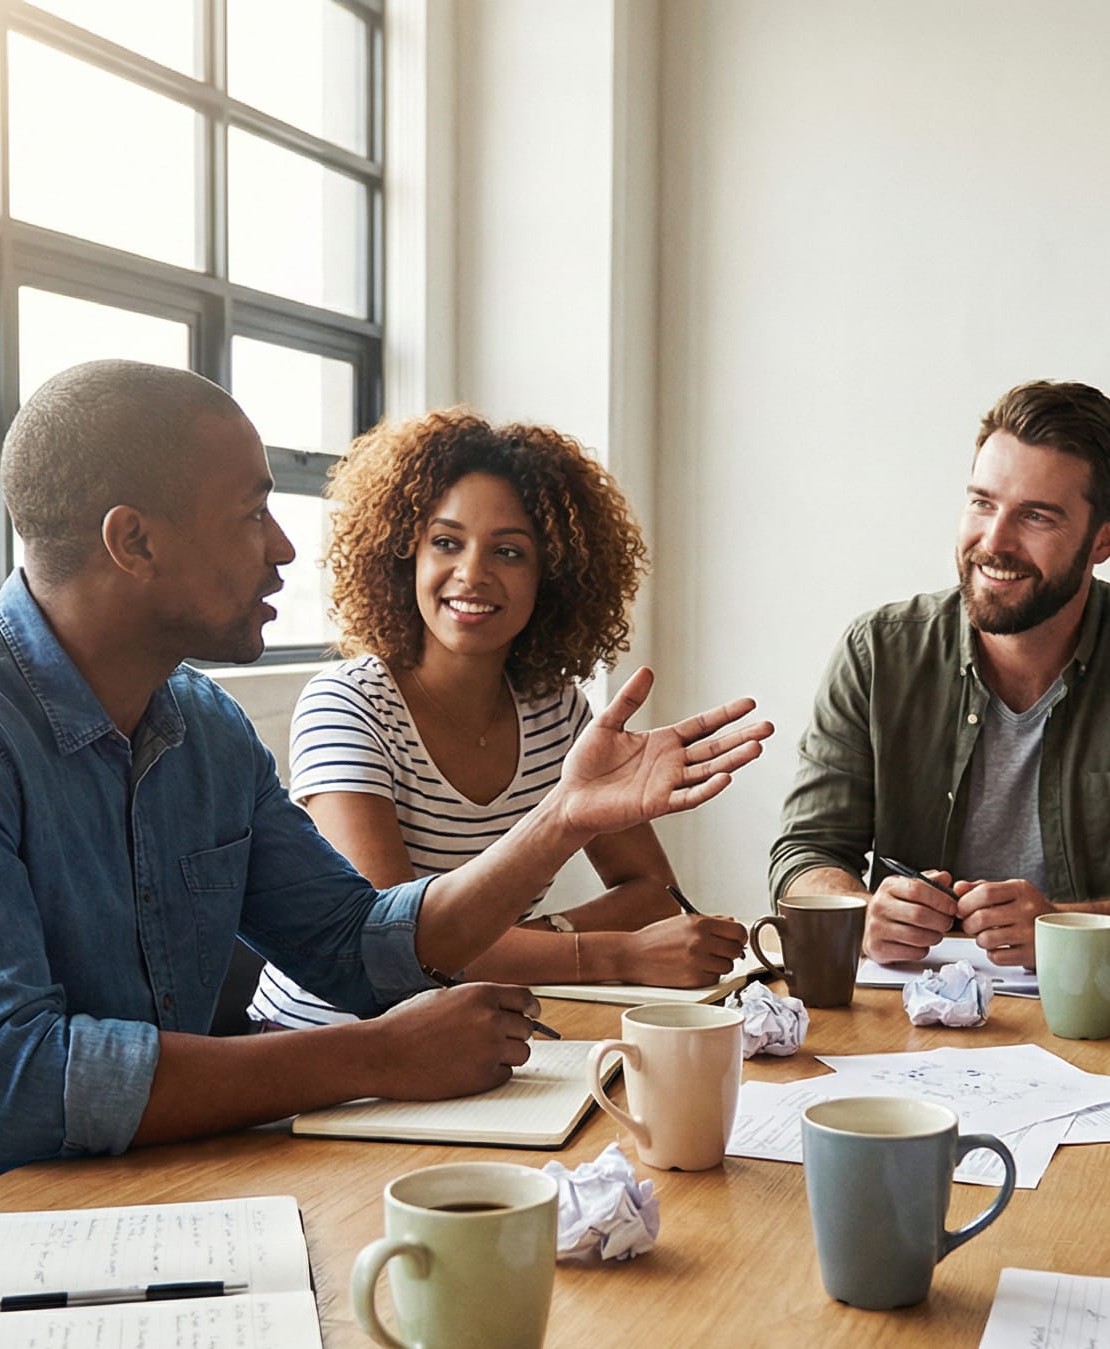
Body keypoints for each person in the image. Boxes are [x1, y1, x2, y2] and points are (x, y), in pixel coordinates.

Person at [0, 361, 770, 1252]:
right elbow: (11, 1090)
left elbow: (358, 946)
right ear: (133, 541)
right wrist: (376, 1055)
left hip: (120, 1207)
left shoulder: (200, 726)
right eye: (251, 513)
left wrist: (563, 820)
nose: (282, 548)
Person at [252, 410, 747, 1029]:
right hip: (325, 1041)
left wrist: (512, 941)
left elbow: (653, 897)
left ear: (552, 577)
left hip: (472, 1033)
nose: (472, 573)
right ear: (404, 555)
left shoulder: (556, 711)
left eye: (508, 552)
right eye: (446, 542)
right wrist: (615, 953)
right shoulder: (347, 705)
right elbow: (390, 950)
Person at [770, 380, 1110, 970]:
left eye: (1036, 516)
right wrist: (860, 913)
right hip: (907, 1002)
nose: (994, 541)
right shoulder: (878, 651)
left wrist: (1064, 927)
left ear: (1105, 539)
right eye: (982, 503)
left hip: (1096, 1001)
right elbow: (805, 853)